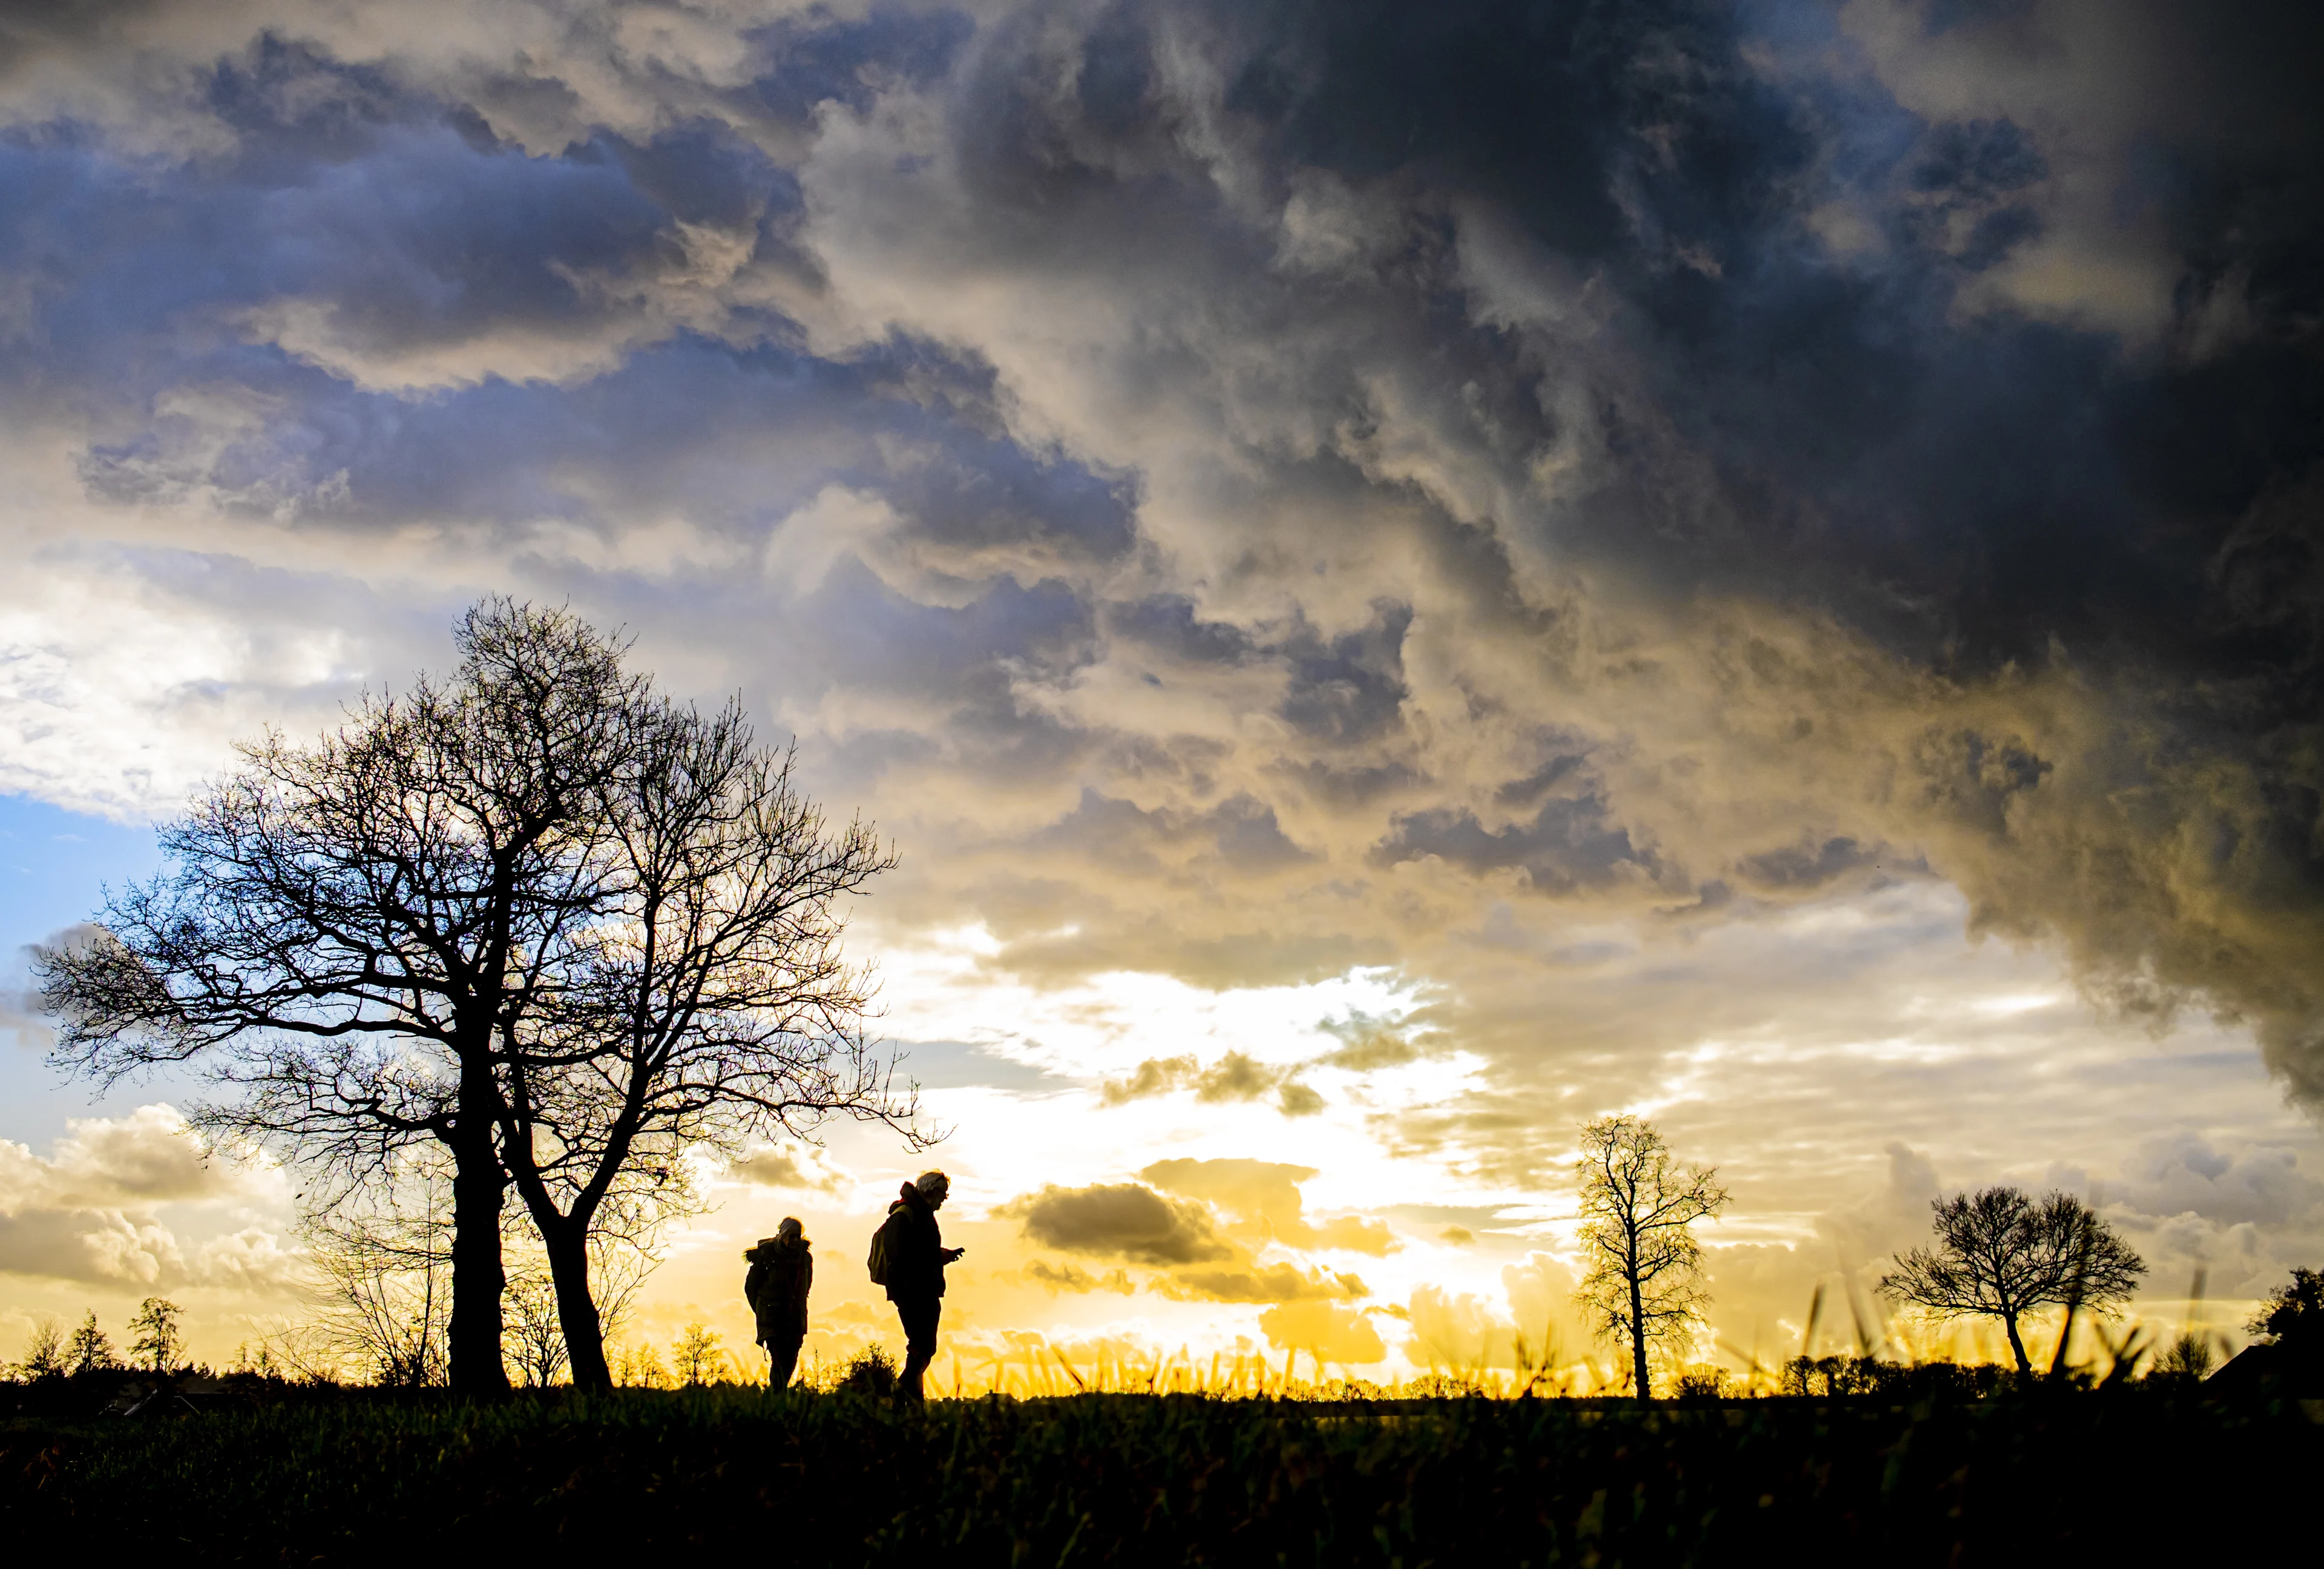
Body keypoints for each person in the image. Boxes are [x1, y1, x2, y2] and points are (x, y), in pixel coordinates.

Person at [869, 1170, 963, 1401]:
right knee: (921, 1345)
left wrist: (944, 1256)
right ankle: (904, 1395)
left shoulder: (922, 1214)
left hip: (926, 1289)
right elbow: (899, 1253)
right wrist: (931, 1259)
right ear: (931, 1191)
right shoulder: (904, 1214)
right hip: (911, 1291)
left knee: (924, 1347)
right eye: (943, 1193)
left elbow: (921, 1251)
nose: (944, 1198)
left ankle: (906, 1395)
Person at [744, 1217, 812, 1390]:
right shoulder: (766, 1256)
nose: (795, 1240)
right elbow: (751, 1287)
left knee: (791, 1359)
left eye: (798, 1236)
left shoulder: (805, 1258)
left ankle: (777, 1396)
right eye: (792, 1236)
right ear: (782, 1235)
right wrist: (761, 1310)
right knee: (778, 1357)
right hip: (772, 1318)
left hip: (796, 1318)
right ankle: (776, 1397)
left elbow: (807, 1286)